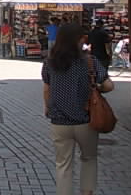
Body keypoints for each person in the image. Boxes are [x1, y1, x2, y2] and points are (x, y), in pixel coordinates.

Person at [41, 23, 114, 195]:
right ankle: (87, 192)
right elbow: (109, 85)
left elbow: (46, 89)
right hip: (86, 120)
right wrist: (98, 88)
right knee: (89, 159)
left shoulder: (50, 62)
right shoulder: (90, 61)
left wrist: (47, 108)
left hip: (59, 121)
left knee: (63, 164)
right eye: (83, 38)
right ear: (78, 39)